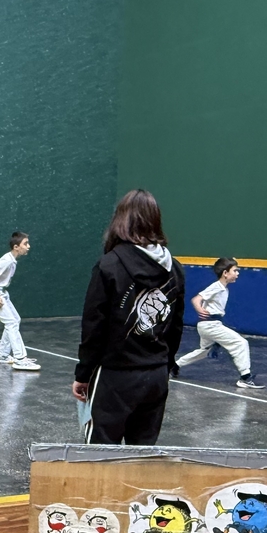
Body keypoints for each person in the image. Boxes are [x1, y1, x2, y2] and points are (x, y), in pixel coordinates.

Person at [71, 189, 185, 444]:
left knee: (101, 454)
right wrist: (164, 366)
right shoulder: (174, 269)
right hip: (156, 376)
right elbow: (175, 326)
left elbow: (94, 327)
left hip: (115, 376)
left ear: (120, 220)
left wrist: (83, 374)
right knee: (142, 454)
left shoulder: (108, 265)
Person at [175, 257, 263, 388]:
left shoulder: (223, 288)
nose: (238, 273)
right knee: (240, 343)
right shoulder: (217, 287)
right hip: (210, 325)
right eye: (235, 270)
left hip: (208, 325)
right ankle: (245, 377)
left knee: (204, 351)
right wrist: (199, 308)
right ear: (225, 273)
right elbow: (196, 299)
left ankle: (175, 365)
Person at [0, 232, 39, 371]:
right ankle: (20, 359)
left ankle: (1, 355)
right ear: (16, 247)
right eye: (25, 244)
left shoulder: (12, 260)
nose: (28, 246)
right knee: (11, 323)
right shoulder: (7, 260)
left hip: (0, 292)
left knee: (15, 320)